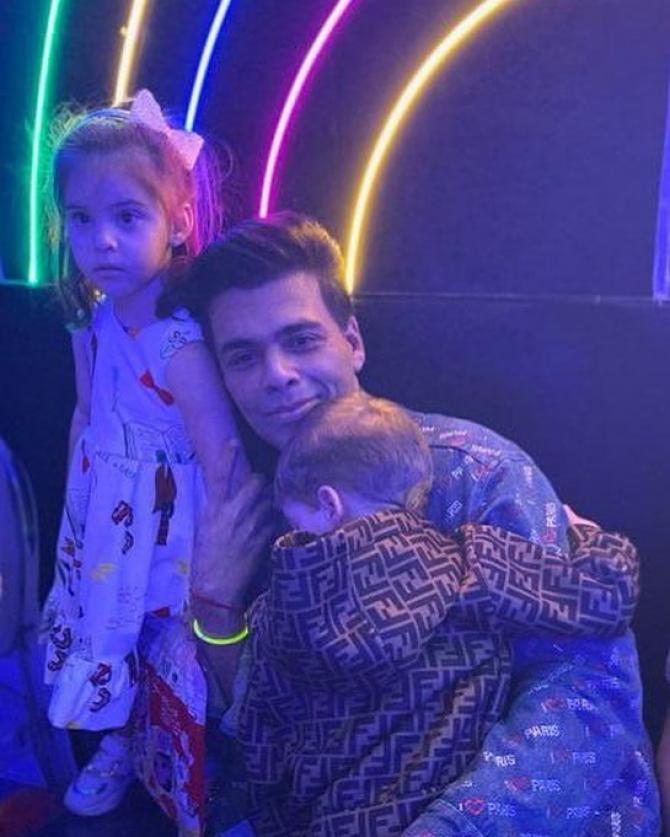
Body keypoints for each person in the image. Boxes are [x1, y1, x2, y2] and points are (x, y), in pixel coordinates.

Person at [179, 212, 658, 835]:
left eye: (300, 340)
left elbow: (585, 697)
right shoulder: (251, 510)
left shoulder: (471, 470)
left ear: (352, 341)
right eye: (244, 357)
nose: (277, 374)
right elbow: (263, 726)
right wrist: (214, 612)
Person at [240, 391, 639, 834]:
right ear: (417, 492)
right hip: (430, 809)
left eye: (296, 523)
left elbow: (260, 741)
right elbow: (604, 599)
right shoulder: (466, 565)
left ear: (329, 503)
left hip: (327, 819)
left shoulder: (274, 613)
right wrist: (591, 541)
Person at [41, 89, 244, 830]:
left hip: (165, 524)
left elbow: (220, 451)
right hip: (106, 514)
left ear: (177, 222)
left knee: (163, 640)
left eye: (127, 217)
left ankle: (184, 752)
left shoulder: (173, 337)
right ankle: (122, 741)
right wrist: (77, 508)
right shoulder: (94, 317)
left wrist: (221, 558)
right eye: (82, 219)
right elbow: (87, 411)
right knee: (112, 629)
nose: (102, 241)